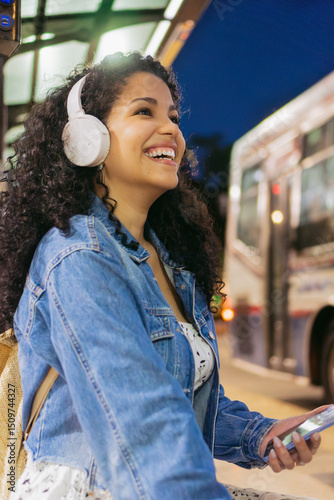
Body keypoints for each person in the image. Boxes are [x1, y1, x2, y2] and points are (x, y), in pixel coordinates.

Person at [0, 52, 325, 500]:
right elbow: (145, 422)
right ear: (86, 139)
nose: (171, 128)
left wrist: (262, 434)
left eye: (173, 115)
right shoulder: (79, 256)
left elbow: (187, 403)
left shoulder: (171, 259)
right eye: (143, 111)